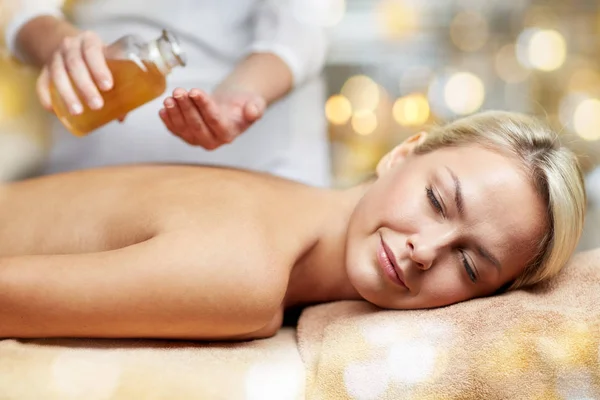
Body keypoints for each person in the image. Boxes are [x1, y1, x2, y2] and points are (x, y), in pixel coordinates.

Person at [0, 111, 586, 340]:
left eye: (469, 264)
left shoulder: (279, 200)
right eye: (437, 200)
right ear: (403, 153)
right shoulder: (245, 279)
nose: (425, 251)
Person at [4, 0, 331, 186]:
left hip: (257, 180)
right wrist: (59, 44)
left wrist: (243, 94)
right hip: (89, 181)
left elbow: (303, 25)